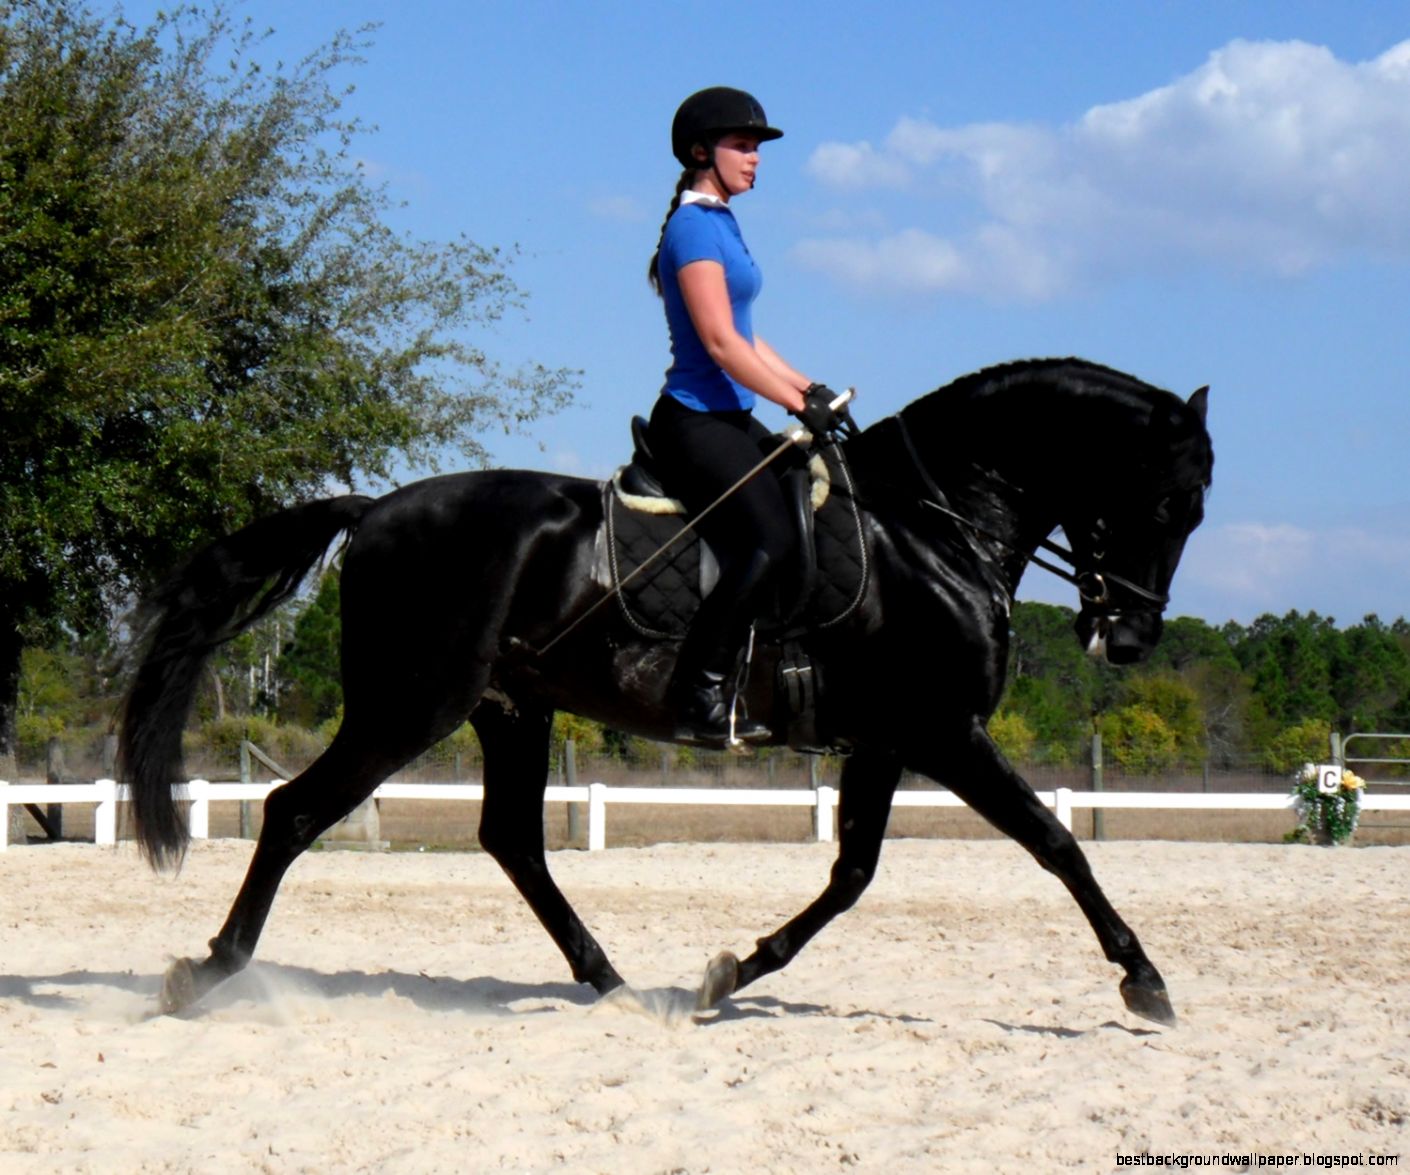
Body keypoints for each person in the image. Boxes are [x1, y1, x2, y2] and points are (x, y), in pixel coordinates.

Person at [646, 86, 851, 745]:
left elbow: (749, 336)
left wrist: (808, 386)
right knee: (771, 537)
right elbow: (719, 343)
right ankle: (697, 689)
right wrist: (796, 404)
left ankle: (787, 673)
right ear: (702, 152)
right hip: (695, 421)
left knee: (815, 505)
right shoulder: (693, 227)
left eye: (758, 147)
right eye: (743, 145)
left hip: (732, 417)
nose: (755, 157)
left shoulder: (723, 221)